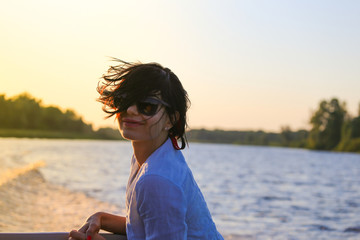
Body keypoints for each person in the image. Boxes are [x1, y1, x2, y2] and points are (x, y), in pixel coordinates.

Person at [69, 60, 224, 240]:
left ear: (171, 120)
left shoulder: (156, 178)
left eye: (147, 106)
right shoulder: (154, 158)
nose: (130, 110)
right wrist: (103, 218)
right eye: (124, 100)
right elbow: (151, 224)